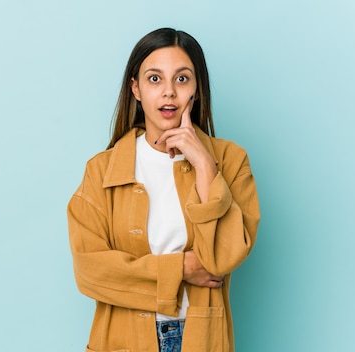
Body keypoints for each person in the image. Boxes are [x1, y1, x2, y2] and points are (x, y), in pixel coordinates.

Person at [67, 28, 260, 352]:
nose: (169, 92)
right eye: (155, 79)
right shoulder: (101, 170)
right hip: (123, 340)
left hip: (200, 339)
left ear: (196, 89)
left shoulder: (229, 159)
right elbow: (90, 272)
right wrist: (181, 269)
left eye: (182, 79)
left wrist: (204, 166)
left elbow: (224, 258)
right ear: (136, 89)